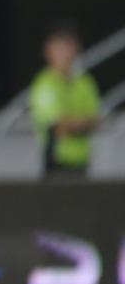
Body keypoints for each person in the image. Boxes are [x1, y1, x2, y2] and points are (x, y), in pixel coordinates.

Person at [30, 25, 100, 177]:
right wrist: (82, 123)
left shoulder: (84, 82)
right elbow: (56, 124)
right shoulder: (44, 83)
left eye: (68, 48)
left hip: (83, 162)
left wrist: (72, 124)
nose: (65, 54)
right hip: (56, 163)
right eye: (59, 48)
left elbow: (95, 121)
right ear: (48, 52)